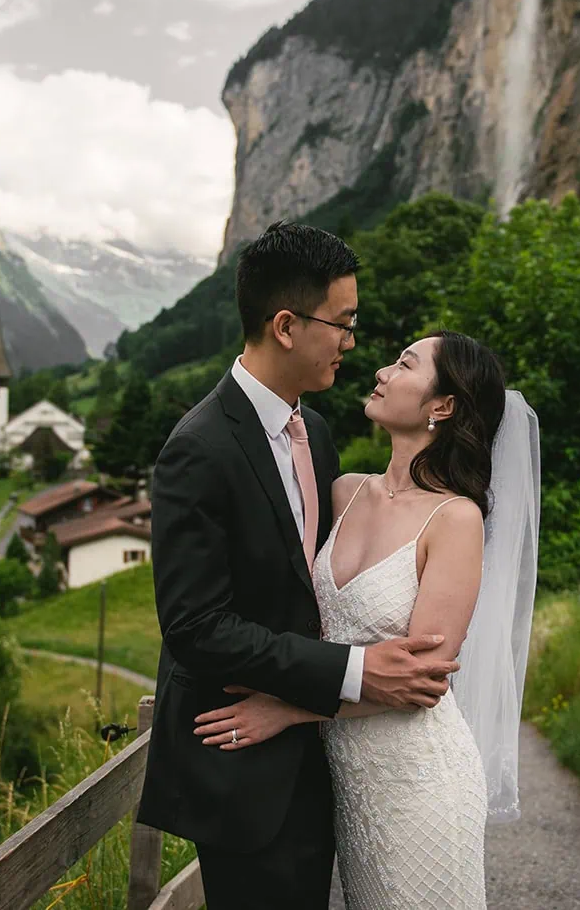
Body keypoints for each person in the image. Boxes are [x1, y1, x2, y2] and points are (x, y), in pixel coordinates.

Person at [136, 223, 461, 910]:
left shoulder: (314, 434)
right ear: (286, 325)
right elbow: (194, 627)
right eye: (341, 322)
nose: (351, 341)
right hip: (243, 769)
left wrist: (313, 705)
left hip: (323, 755)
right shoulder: (197, 450)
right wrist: (353, 671)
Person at [193, 330, 541, 910]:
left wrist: (285, 709)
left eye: (404, 364)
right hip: (352, 787)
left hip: (420, 780)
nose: (381, 371)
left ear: (443, 406)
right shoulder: (344, 491)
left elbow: (423, 681)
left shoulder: (456, 519)